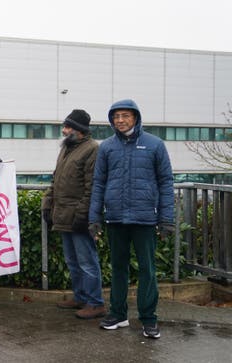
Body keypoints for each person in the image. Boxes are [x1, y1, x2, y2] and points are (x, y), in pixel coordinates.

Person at [89, 99, 174, 339]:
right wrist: (94, 217)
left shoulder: (155, 145)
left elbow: (166, 182)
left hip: (145, 218)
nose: (120, 120)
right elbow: (99, 183)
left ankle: (149, 319)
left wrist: (166, 218)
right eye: (116, 117)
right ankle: (118, 314)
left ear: (135, 117)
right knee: (118, 268)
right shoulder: (106, 147)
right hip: (115, 218)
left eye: (125, 116)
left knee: (147, 270)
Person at [41, 109, 105, 319]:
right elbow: (56, 179)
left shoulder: (92, 149)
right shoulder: (67, 148)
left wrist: (83, 214)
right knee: (73, 261)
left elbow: (92, 186)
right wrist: (47, 204)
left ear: (79, 130)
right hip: (63, 214)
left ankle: (95, 303)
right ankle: (80, 297)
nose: (64, 130)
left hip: (78, 217)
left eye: (68, 127)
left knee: (87, 261)